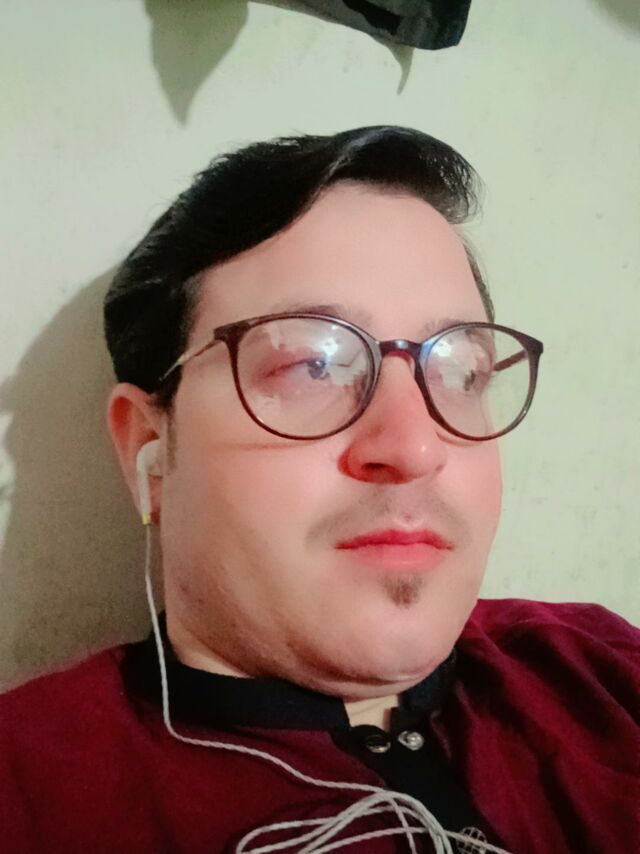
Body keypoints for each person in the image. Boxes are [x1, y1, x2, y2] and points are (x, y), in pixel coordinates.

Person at [0, 126, 637, 854]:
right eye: (312, 365)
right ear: (148, 448)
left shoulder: (601, 672)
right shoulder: (33, 793)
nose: (415, 447)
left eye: (461, 371)